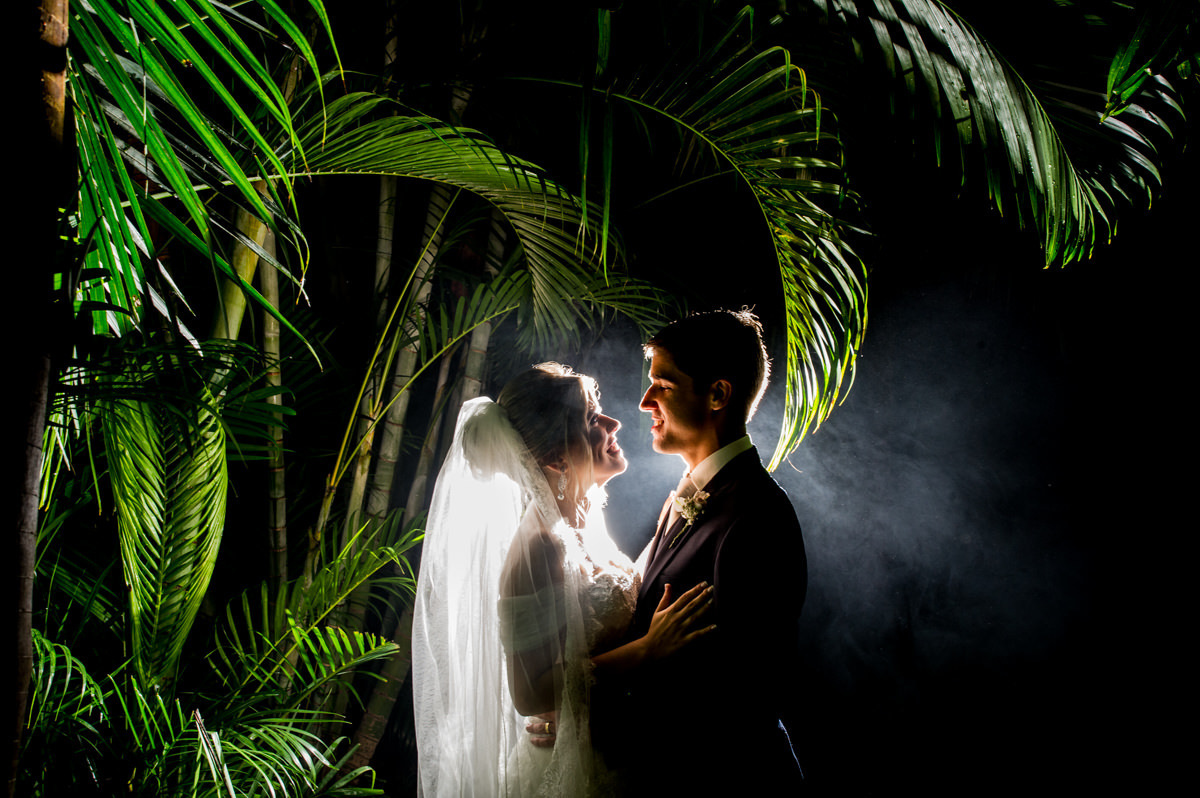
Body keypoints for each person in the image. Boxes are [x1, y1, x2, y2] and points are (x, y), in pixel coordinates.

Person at [412, 363, 713, 797]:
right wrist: (648, 650)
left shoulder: (582, 518)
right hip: (569, 771)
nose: (613, 423)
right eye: (591, 418)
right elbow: (530, 695)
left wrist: (679, 510)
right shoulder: (540, 546)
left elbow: (610, 596)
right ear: (555, 457)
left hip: (610, 746)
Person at [592, 309, 808, 794]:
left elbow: (738, 688)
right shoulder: (686, 497)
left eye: (663, 386)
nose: (645, 401)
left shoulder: (757, 516)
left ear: (717, 395)